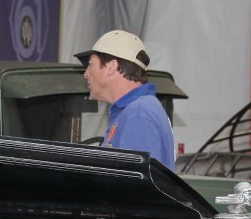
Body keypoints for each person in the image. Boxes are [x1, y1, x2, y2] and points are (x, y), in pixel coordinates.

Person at [74, 30, 175, 166]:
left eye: (91, 65)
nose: (86, 74)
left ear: (111, 66)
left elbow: (137, 179)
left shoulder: (138, 115)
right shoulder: (134, 111)